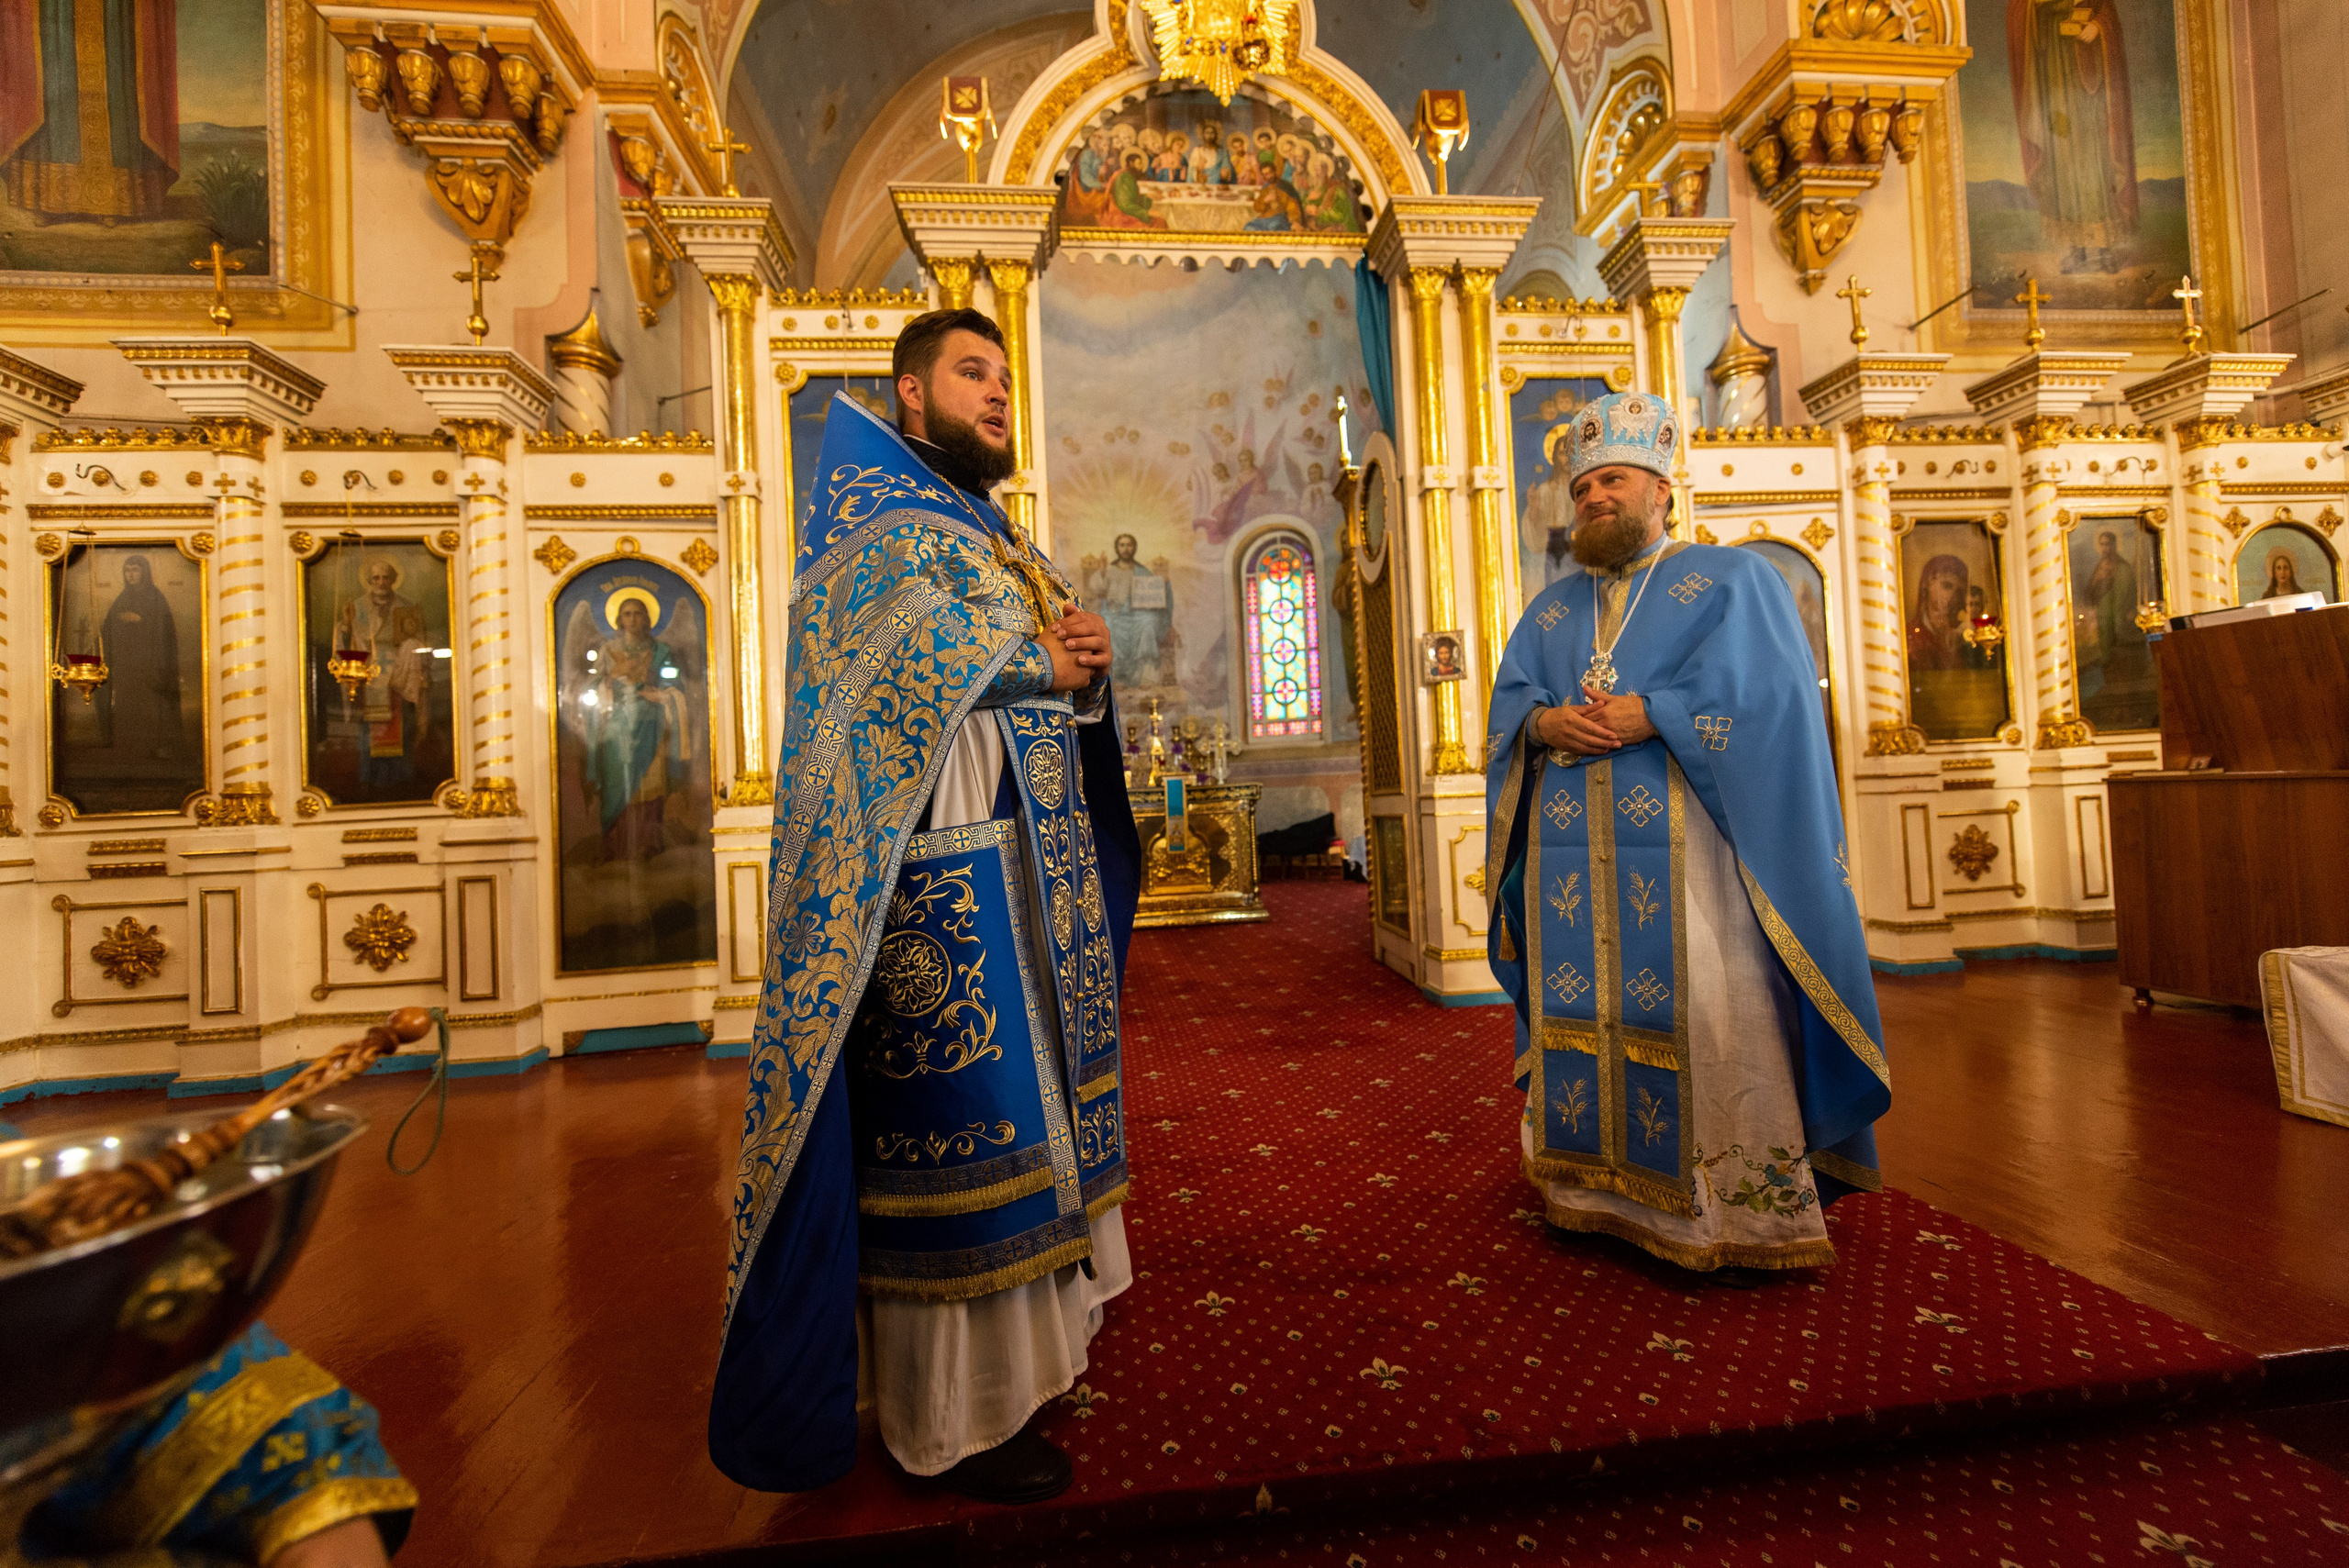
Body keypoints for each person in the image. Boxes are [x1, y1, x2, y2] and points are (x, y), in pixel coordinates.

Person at [710, 309, 1141, 1507]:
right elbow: (896, 678)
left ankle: (1036, 1359)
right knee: (971, 1137)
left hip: (1034, 878)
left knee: (1039, 1121)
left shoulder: (992, 534)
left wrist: (1088, 666)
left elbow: (1044, 678)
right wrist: (1034, 661)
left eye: (1003, 374)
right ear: (910, 392)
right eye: (970, 371)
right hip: (941, 888)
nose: (997, 392)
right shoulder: (879, 525)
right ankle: (958, 1418)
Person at [1484, 391, 1889, 1287]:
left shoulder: (1732, 581)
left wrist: (1656, 712)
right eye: (1583, 486)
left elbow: (1774, 703)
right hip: (1570, 876)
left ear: (1661, 488)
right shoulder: (1549, 612)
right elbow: (1508, 712)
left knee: (1707, 1016)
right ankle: (1594, 1190)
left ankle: (1728, 1211)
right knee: (1590, 1015)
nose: (1595, 496)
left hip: (1698, 867)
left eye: (1613, 480)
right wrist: (1545, 724)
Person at [2008, 0, 2136, 276]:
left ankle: (2102, 247)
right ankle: (2075, 247)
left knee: (2094, 159)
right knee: (2063, 161)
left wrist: (2098, 26)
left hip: (2087, 77)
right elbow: (2020, 11)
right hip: (2054, 74)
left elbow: (2107, 11)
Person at [568, 590, 696, 860]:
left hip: (652, 725)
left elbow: (675, 684)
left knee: (651, 784)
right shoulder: (608, 651)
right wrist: (608, 684)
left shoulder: (661, 651)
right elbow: (592, 685)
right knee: (616, 782)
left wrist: (662, 695)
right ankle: (614, 846)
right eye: (627, 614)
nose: (633, 619)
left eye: (638, 613)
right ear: (619, 619)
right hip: (617, 729)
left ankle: (650, 842)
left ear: (647, 618)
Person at [330, 558, 435, 796]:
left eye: (385, 577)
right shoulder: (357, 606)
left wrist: (412, 647)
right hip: (370, 676)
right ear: (369, 581)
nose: (380, 582)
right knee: (370, 730)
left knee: (403, 727)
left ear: (393, 580)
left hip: (400, 676)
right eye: (376, 578)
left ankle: (402, 779)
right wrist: (346, 624)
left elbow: (421, 642)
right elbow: (346, 638)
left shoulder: (407, 607)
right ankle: (367, 778)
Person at [1083, 531, 1174, 690]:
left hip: (1137, 614)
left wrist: (1163, 583)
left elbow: (1154, 593)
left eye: (1129, 545)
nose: (1126, 549)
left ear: (1134, 548)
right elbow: (1097, 588)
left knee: (1148, 622)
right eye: (1122, 545)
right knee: (1109, 624)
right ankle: (1115, 678)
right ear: (1117, 548)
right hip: (1114, 612)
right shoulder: (1109, 570)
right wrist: (1103, 571)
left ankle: (1145, 676)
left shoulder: (1142, 571)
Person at [1906, 555, 1970, 671]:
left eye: (1959, 591)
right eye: (1947, 586)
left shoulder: (1964, 635)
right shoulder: (1909, 632)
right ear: (1926, 584)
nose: (1952, 596)